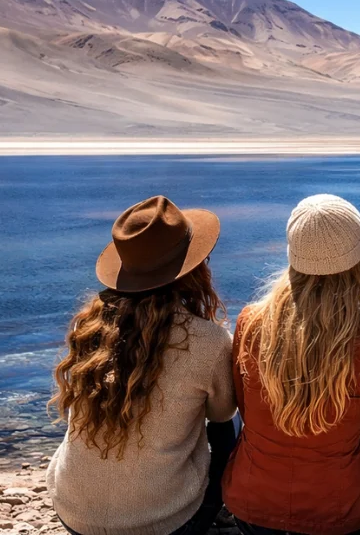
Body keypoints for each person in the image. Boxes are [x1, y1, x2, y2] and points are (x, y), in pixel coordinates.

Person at [47, 196, 237, 535]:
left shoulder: (88, 329)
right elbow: (221, 414)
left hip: (74, 513)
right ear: (194, 269)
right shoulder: (208, 341)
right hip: (163, 523)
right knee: (229, 423)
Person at [223, 194, 360, 535]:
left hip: (252, 504)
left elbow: (244, 409)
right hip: (342, 513)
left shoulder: (250, 324)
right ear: (357, 266)